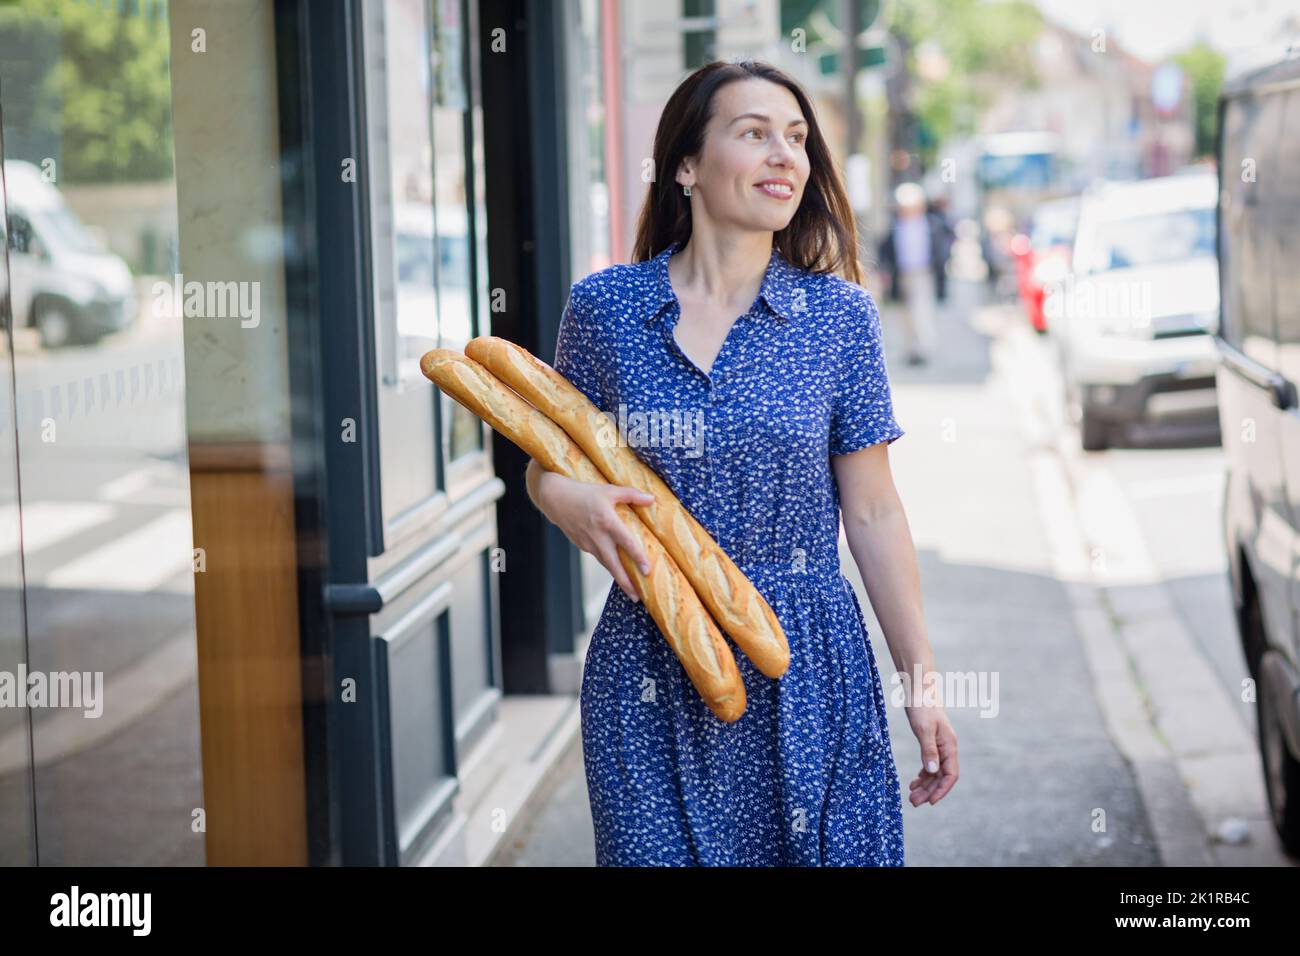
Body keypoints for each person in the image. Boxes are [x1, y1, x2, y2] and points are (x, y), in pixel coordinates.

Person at [524, 59, 957, 866]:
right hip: (650, 662)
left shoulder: (839, 318)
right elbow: (551, 460)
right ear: (686, 165)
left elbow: (872, 510)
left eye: (796, 138)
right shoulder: (607, 309)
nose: (784, 155)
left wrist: (920, 681)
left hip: (808, 664)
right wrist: (565, 502)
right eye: (754, 133)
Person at [875, 182, 943, 365]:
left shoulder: (931, 225)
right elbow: (884, 249)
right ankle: (910, 349)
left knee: (921, 311)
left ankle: (923, 347)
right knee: (904, 314)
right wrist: (884, 272)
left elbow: (939, 250)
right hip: (902, 274)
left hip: (923, 273)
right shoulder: (894, 226)